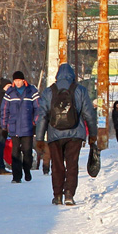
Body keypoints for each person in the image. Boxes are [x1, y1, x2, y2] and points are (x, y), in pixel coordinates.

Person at [36, 62, 97, 206]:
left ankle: (57, 196)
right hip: (75, 134)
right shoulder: (80, 90)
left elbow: (42, 116)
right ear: (72, 75)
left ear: (57, 75)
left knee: (57, 165)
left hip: (54, 134)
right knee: (72, 164)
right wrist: (93, 135)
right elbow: (89, 114)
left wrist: (39, 138)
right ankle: (69, 194)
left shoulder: (48, 91)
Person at [0, 71, 39, 184]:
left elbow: (38, 108)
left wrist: (35, 122)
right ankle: (16, 176)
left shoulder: (32, 91)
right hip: (13, 127)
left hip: (28, 127)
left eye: (19, 80)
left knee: (27, 152)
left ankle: (27, 170)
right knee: (15, 153)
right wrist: (4, 126)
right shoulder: (10, 93)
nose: (17, 83)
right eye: (15, 80)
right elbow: (4, 110)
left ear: (23, 80)